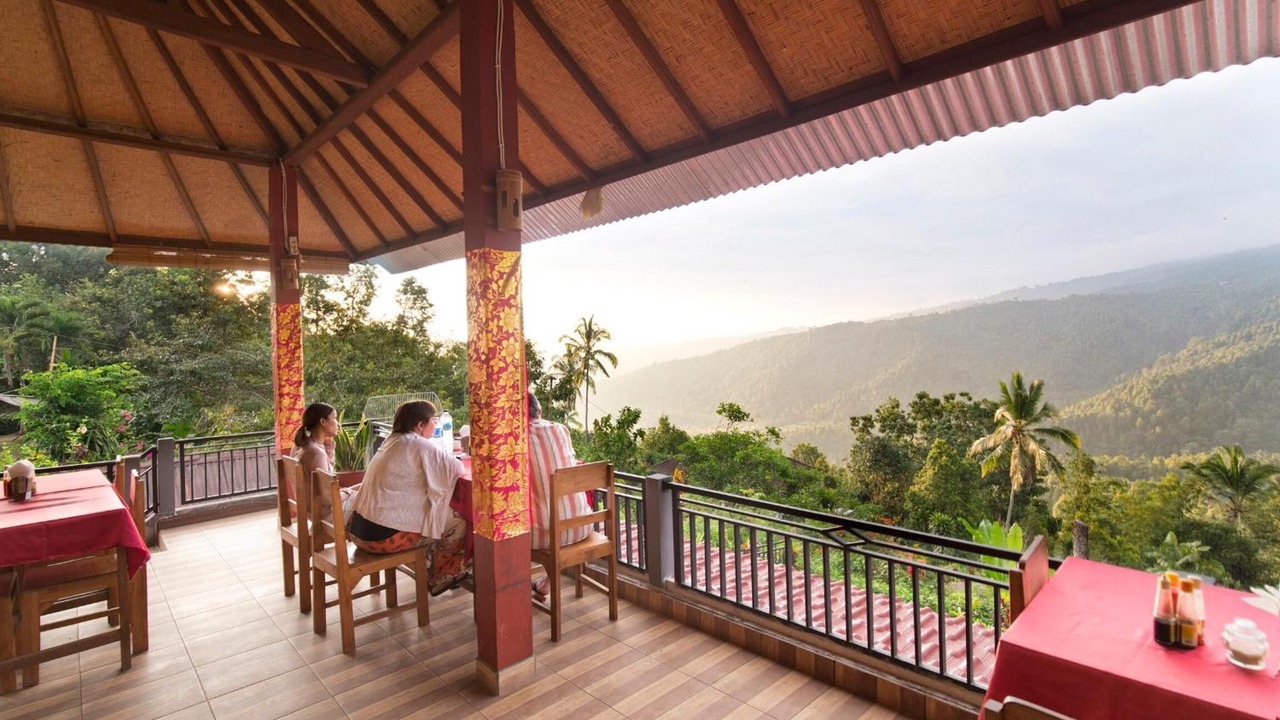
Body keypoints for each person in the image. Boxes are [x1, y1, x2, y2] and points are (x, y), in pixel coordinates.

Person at [347, 400, 469, 595]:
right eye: (433, 420)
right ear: (420, 425)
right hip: (383, 539)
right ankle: (441, 575)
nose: (436, 424)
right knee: (457, 520)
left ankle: (431, 564)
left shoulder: (392, 440)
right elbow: (457, 468)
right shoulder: (417, 444)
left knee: (433, 516)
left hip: (357, 530)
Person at [528, 391, 593, 598]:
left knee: (507, 532)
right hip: (582, 525)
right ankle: (545, 583)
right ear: (539, 410)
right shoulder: (561, 429)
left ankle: (512, 589)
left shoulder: (516, 438)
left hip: (546, 535)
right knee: (552, 506)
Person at [292, 402, 356, 517]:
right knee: (369, 497)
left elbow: (327, 475)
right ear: (323, 421)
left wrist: (329, 448)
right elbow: (329, 498)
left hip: (313, 508)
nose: (338, 423)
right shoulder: (315, 452)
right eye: (335, 418)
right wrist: (349, 492)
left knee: (363, 486)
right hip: (327, 513)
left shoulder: (303, 446)